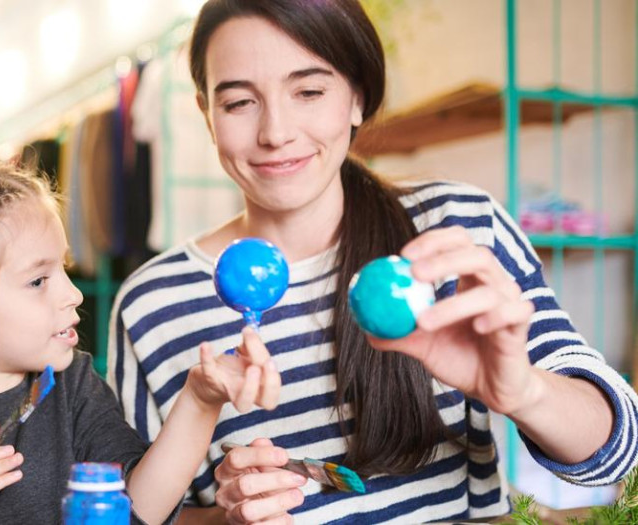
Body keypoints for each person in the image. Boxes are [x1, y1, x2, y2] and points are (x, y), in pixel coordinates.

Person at [108, 1, 638, 523]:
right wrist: (228, 520)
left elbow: (619, 451)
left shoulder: (454, 231)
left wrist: (523, 390)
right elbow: (129, 514)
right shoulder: (151, 303)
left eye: (309, 91)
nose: (275, 132)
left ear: (357, 98)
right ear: (206, 113)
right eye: (239, 102)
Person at [0, 164, 265, 524]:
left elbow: (139, 509)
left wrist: (200, 400)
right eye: (38, 280)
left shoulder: (72, 384)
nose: (74, 294)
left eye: (62, 269)